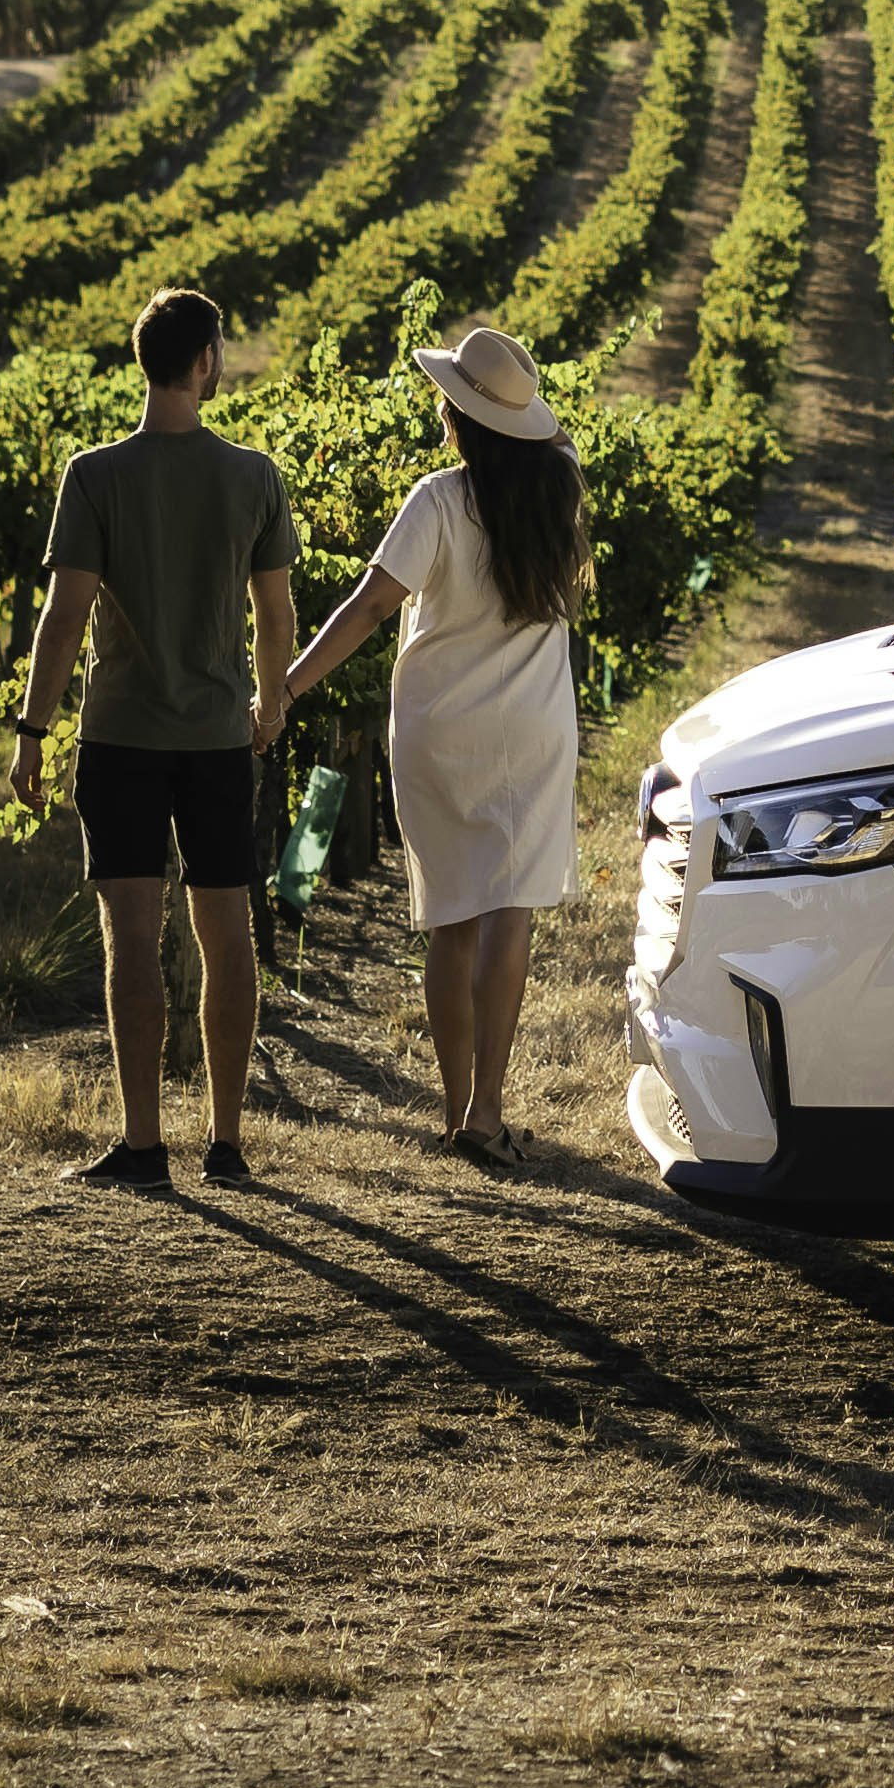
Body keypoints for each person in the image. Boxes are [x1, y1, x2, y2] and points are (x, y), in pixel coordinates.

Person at [10, 284, 297, 1193]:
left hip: (120, 739)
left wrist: (33, 729)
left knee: (130, 938)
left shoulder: (95, 474)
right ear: (205, 361)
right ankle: (227, 1141)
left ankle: (142, 1147)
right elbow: (276, 611)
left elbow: (64, 616)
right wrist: (270, 700)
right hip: (218, 738)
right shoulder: (252, 475)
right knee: (227, 934)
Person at [283, 321, 584, 1168]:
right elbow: (554, 438)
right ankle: (490, 1108)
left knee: (451, 920)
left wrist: (286, 688)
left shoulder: (438, 500)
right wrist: (521, 420)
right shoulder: (557, 489)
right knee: (509, 911)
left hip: (437, 729)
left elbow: (370, 607)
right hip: (530, 729)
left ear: (460, 420)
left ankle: (458, 1113)